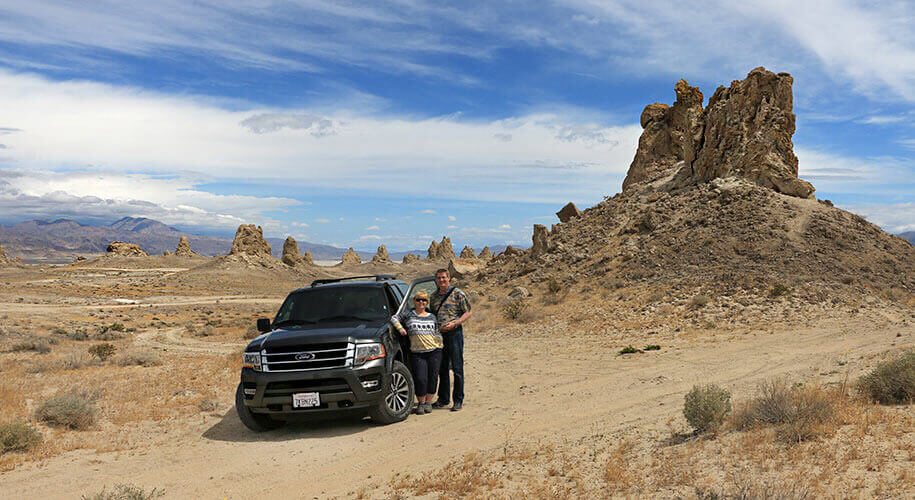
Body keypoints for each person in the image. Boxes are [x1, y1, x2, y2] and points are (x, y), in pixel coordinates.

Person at [390, 290, 441, 415]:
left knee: (432, 377)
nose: (421, 302)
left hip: (434, 351)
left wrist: (440, 345)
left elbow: (437, 332)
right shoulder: (408, 315)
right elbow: (394, 318)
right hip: (417, 352)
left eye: (424, 300)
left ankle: (428, 402)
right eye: (418, 300)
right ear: (414, 301)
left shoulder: (432, 316)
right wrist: (401, 329)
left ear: (427, 302)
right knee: (420, 378)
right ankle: (421, 403)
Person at [430, 268, 472, 411]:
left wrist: (456, 323)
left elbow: (468, 312)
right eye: (438, 278)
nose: (441, 280)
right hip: (439, 336)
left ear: (449, 278)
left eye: (443, 278)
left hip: (454, 334)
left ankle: (458, 400)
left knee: (457, 368)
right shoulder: (434, 297)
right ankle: (443, 399)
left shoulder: (457, 294)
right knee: (442, 369)